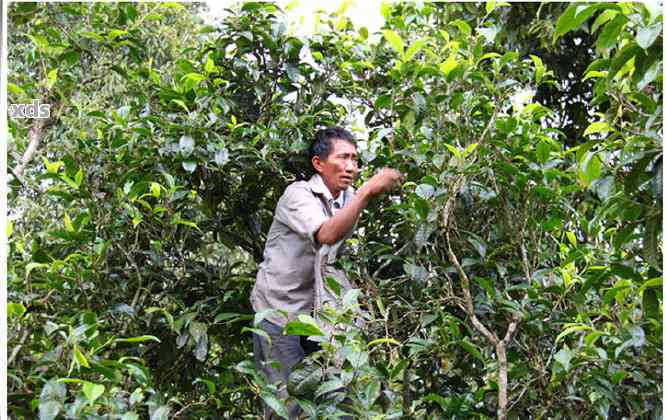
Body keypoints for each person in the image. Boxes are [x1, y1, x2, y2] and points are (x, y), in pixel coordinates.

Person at [250, 126, 403, 418]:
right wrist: (369, 190)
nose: (351, 167)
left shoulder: (347, 200)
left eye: (355, 160)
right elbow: (327, 234)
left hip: (322, 317)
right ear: (319, 164)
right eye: (343, 158)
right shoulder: (297, 195)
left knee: (338, 399)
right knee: (287, 405)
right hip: (280, 314)